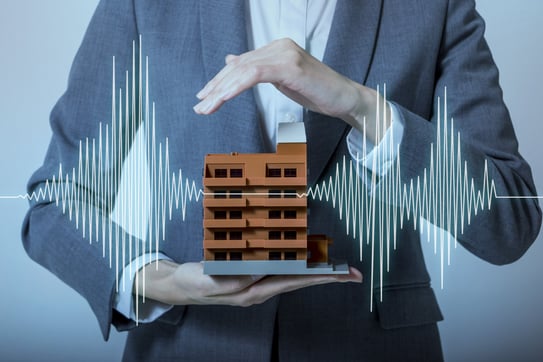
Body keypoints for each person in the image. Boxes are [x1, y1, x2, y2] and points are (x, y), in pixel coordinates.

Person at [22, 1, 541, 361]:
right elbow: (56, 201)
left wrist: (364, 109)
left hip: (375, 349)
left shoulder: (434, 5)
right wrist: (155, 280)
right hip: (190, 347)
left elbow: (510, 222)